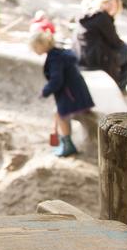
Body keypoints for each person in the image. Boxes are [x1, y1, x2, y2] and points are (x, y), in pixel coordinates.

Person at [30, 30, 95, 158]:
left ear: (42, 45)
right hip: (77, 91)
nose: (34, 50)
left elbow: (56, 80)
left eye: (35, 47)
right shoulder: (60, 53)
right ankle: (65, 141)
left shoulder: (54, 58)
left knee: (61, 115)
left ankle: (68, 145)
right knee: (59, 113)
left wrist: (45, 91)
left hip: (70, 94)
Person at [77, 0, 127, 93]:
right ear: (101, 2)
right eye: (108, 3)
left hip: (82, 57)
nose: (110, 7)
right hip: (96, 59)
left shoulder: (87, 15)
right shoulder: (102, 16)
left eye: (113, 5)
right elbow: (115, 42)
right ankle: (120, 88)